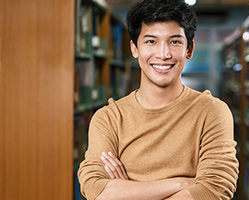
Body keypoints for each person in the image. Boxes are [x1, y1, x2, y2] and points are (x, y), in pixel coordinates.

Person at [78, 0, 239, 199]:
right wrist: (183, 183)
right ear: (134, 48)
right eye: (151, 41)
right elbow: (96, 190)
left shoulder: (212, 112)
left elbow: (215, 188)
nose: (163, 54)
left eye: (175, 42)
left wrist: (129, 192)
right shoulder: (108, 119)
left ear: (189, 49)